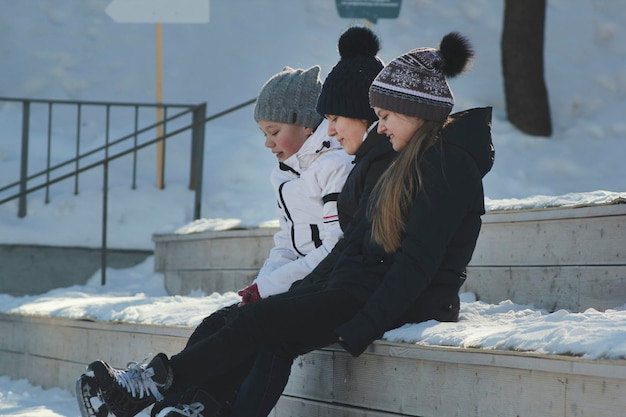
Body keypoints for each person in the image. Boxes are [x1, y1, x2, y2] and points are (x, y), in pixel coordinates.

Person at [82, 31, 494, 417]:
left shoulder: (445, 166)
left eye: (385, 115)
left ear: (415, 111)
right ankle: (180, 400)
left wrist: (362, 327)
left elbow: (416, 262)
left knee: (257, 323)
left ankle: (151, 385)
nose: (380, 125)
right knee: (264, 329)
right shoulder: (405, 163)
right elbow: (353, 246)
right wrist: (304, 289)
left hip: (396, 300)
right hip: (357, 288)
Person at [76, 65, 352, 417]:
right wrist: (262, 285)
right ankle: (180, 406)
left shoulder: (334, 166)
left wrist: (270, 290)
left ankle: (155, 393)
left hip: (322, 285)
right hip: (298, 284)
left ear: (306, 124)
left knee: (262, 335)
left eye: (274, 131)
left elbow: (332, 248)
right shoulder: (284, 174)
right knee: (216, 323)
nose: (267, 142)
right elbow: (286, 241)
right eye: (263, 133)